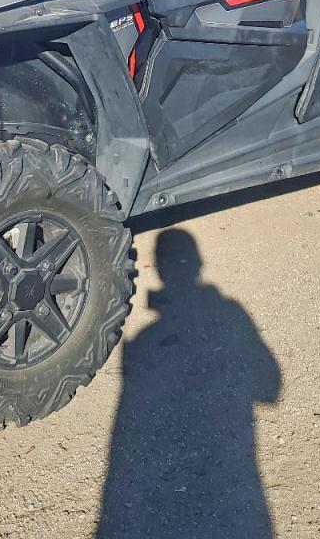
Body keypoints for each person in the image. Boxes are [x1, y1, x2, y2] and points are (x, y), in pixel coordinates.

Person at [98, 229, 281, 538]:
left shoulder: (143, 339)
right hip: (230, 484)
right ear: (198, 264)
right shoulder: (228, 314)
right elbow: (270, 389)